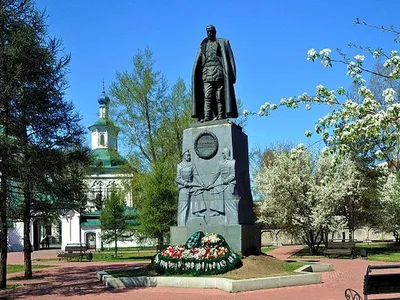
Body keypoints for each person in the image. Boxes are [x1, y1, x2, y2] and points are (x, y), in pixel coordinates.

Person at [192, 25, 238, 122]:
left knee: (219, 96)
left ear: (215, 32)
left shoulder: (221, 43)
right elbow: (198, 62)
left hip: (218, 72)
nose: (209, 33)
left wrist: (231, 75)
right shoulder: (203, 46)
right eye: (208, 31)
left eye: (211, 31)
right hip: (207, 74)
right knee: (207, 96)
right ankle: (207, 116)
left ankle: (221, 115)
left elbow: (229, 59)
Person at [207, 147, 239, 219]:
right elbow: (216, 174)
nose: (223, 155)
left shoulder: (232, 162)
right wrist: (210, 184)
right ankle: (218, 211)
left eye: (224, 153)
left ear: (226, 154)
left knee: (229, 201)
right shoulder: (220, 163)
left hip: (229, 184)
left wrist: (226, 180)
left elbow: (233, 175)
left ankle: (233, 217)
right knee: (216, 190)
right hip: (222, 184)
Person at [175, 150, 206, 225]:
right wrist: (184, 183)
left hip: (191, 185)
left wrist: (201, 184)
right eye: (187, 155)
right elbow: (177, 178)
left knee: (198, 192)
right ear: (184, 156)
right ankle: (182, 224)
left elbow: (196, 175)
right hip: (184, 187)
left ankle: (197, 212)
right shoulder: (179, 166)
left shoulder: (192, 165)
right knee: (184, 205)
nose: (189, 157)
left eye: (189, 155)